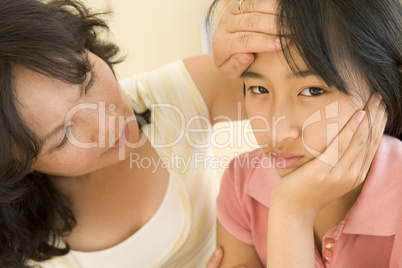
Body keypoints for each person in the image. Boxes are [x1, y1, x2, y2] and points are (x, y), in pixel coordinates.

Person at [0, 0, 280, 267]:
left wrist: (253, 33)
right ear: (16, 167)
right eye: (63, 135)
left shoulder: (166, 97)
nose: (107, 124)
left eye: (88, 81)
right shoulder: (15, 249)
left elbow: (300, 83)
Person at [211, 0, 402, 267]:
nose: (277, 130)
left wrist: (292, 213)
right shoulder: (243, 182)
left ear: (385, 85)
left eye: (312, 91)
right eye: (259, 89)